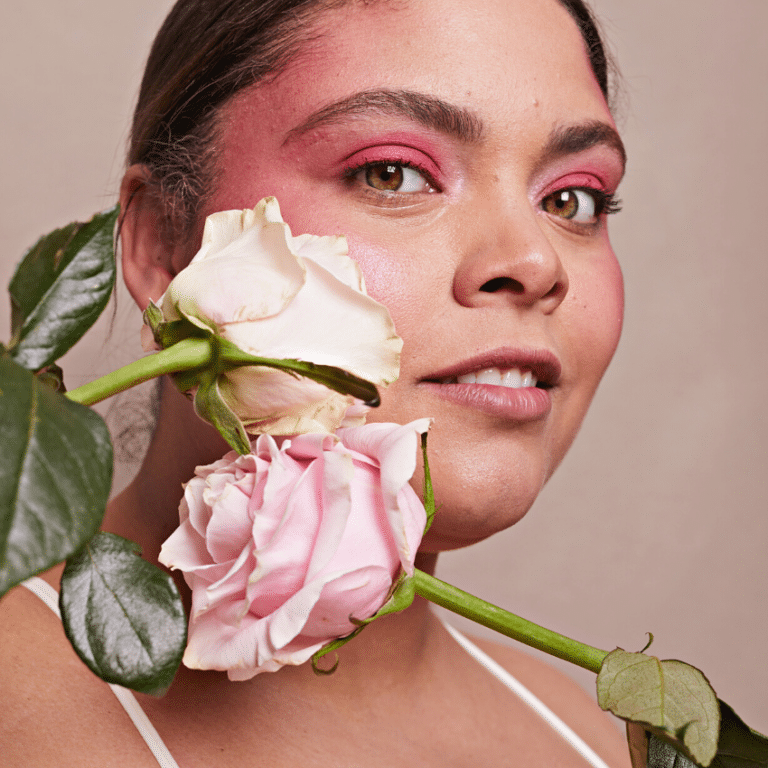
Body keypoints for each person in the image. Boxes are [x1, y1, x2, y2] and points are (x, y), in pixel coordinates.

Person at [0, 0, 633, 764]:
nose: (536, 264)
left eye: (574, 199)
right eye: (392, 173)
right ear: (166, 244)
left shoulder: (605, 742)